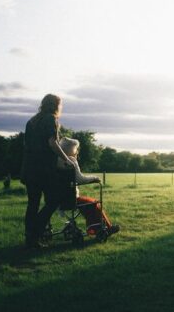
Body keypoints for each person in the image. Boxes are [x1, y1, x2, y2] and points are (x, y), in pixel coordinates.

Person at [21, 94, 74, 248]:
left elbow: (28, 146)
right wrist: (66, 158)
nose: (61, 107)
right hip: (43, 170)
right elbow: (52, 143)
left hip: (29, 168)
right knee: (54, 200)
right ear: (55, 105)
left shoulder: (32, 121)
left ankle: (30, 239)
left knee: (33, 204)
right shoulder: (51, 119)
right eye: (60, 104)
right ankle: (35, 231)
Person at [58, 137, 120, 237]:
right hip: (70, 198)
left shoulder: (55, 160)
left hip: (56, 198)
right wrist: (95, 178)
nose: (77, 151)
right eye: (75, 148)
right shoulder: (71, 160)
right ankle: (102, 228)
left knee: (88, 203)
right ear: (69, 149)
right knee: (93, 203)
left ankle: (100, 227)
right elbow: (80, 179)